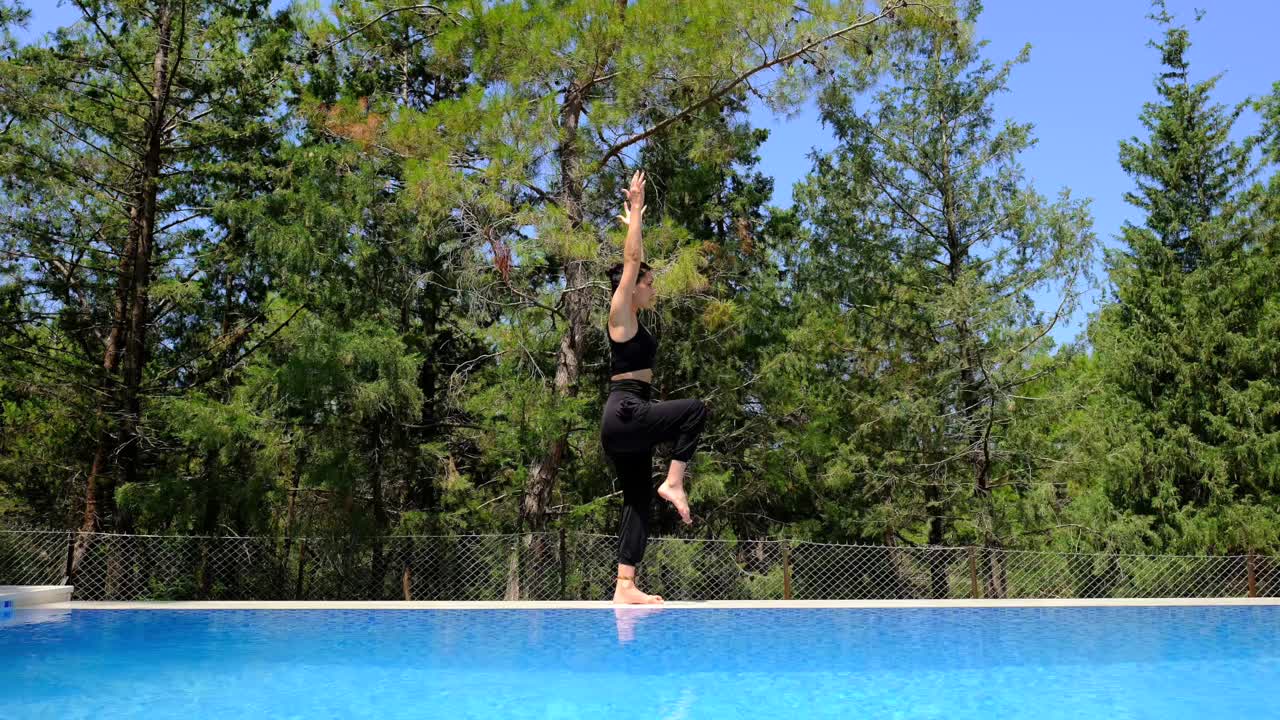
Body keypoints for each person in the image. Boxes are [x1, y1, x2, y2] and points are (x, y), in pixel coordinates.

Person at [600, 170, 709, 605]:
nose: (653, 288)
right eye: (649, 283)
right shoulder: (620, 313)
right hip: (626, 411)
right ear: (630, 288)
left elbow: (635, 264)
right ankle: (675, 483)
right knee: (694, 410)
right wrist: (637, 211)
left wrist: (634, 224)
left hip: (626, 418)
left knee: (637, 499)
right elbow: (631, 262)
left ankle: (625, 585)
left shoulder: (634, 321)